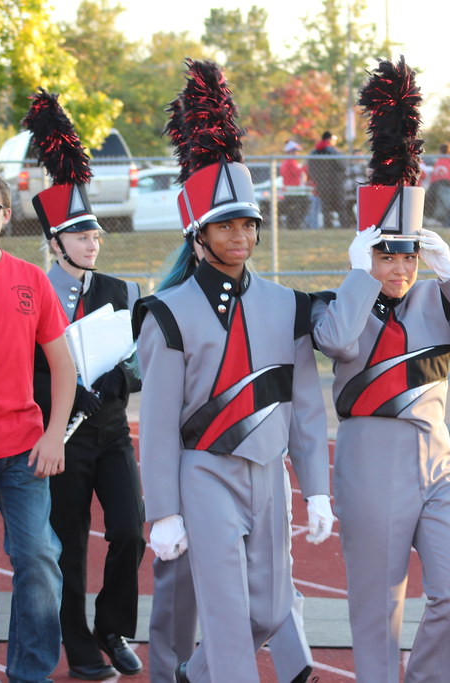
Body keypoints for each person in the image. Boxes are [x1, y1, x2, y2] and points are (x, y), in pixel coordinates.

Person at [136, 59, 333, 683]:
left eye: (248, 223)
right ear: (198, 233)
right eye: (226, 224)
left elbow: (305, 406)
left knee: (270, 609)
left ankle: (195, 676)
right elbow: (158, 423)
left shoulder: (287, 304)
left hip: (269, 476)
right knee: (224, 615)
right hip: (204, 473)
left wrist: (317, 487)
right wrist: (163, 510)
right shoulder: (167, 312)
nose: (241, 234)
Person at [311, 223, 450, 682]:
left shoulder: (438, 299)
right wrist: (359, 277)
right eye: (386, 258)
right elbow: (336, 341)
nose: (400, 269)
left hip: (438, 459)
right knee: (378, 603)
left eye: (410, 258)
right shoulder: (334, 303)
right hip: (370, 460)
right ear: (364, 257)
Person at [21, 88, 146, 681]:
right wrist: (64, 394)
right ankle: (78, 644)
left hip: (112, 432)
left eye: (95, 235)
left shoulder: (122, 291)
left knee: (129, 531)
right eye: (80, 236)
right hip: (59, 436)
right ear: (55, 242)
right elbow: (22, 368)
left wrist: (119, 376)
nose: (93, 243)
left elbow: (139, 364)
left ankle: (112, 628)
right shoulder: (31, 291)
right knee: (66, 544)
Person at [0, 168, 76, 683]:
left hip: (26, 451)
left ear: (7, 215)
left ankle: (31, 673)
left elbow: (64, 366)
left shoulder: (31, 278)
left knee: (40, 560)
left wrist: (54, 435)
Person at [307, 130, 351, 228]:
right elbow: (343, 165)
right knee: (341, 206)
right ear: (330, 139)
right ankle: (345, 225)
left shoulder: (314, 152)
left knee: (326, 207)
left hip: (322, 184)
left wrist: (317, 181)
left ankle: (328, 225)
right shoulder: (333, 151)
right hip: (336, 183)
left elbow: (311, 169)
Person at [279, 140, 310, 229]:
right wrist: (305, 166)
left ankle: (292, 224)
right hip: (293, 190)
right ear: (291, 152)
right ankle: (295, 224)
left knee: (293, 208)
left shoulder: (286, 161)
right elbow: (297, 172)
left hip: (290, 189)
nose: (298, 154)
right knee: (303, 205)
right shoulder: (291, 161)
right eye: (296, 151)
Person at [429, 142, 450, 227]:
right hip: (446, 184)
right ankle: (447, 222)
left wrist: (433, 182)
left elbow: (438, 172)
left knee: (445, 204)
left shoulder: (444, 160)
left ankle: (447, 222)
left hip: (443, 183)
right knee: (446, 204)